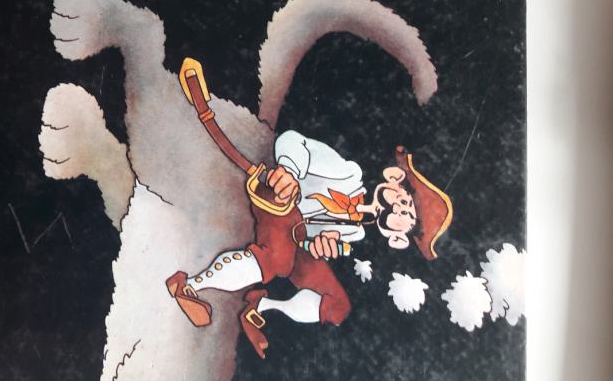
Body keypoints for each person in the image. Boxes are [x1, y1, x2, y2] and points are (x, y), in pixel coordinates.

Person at [165, 133, 452, 358]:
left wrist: (319, 245)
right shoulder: (347, 174)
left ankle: (261, 306)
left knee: (337, 306)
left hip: (294, 239)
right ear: (394, 179)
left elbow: (310, 239)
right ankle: (189, 285)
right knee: (279, 260)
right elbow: (293, 141)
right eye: (404, 202)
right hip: (277, 202)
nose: (398, 212)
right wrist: (289, 172)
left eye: (407, 219)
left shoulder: (356, 232)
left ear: (397, 238)